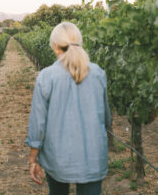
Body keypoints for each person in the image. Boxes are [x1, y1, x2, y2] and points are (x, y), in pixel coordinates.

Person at [26, 22, 111, 195]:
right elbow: (106, 118)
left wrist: (33, 158)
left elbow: (38, 122)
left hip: (58, 157)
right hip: (93, 157)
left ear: (55, 46)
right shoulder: (98, 73)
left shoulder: (47, 77)